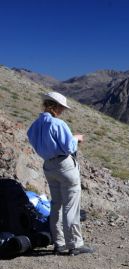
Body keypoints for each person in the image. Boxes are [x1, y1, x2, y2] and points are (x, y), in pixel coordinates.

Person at [27, 92, 94, 256]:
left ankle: (59, 243)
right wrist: (76, 138)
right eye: (62, 108)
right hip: (64, 166)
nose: (62, 111)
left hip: (48, 165)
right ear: (56, 107)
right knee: (71, 205)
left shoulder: (35, 125)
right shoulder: (58, 124)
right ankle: (75, 244)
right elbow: (69, 147)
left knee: (56, 205)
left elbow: (32, 139)